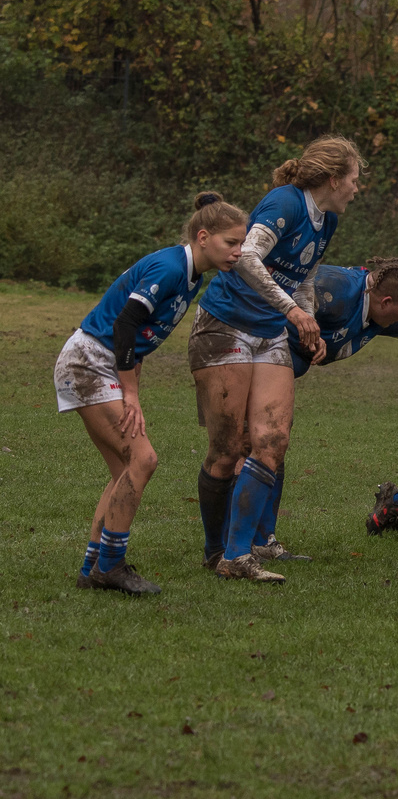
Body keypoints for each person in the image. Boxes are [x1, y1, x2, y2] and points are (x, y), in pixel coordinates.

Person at [57, 193, 247, 595]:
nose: (239, 251)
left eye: (241, 243)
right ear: (202, 237)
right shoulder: (171, 266)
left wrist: (133, 391)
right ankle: (111, 567)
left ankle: (93, 567)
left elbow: (138, 340)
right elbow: (126, 325)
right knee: (144, 459)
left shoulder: (192, 274)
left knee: (124, 470)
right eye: (231, 243)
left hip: (98, 361)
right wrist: (130, 394)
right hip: (89, 360)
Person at [192, 136, 362, 583]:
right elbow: (246, 256)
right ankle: (216, 552)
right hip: (226, 324)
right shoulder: (285, 202)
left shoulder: (327, 221)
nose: (356, 189)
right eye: (353, 180)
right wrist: (291, 310)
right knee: (228, 449)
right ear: (332, 178)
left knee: (272, 440)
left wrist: (307, 321)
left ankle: (239, 555)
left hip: (268, 333)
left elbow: (302, 276)